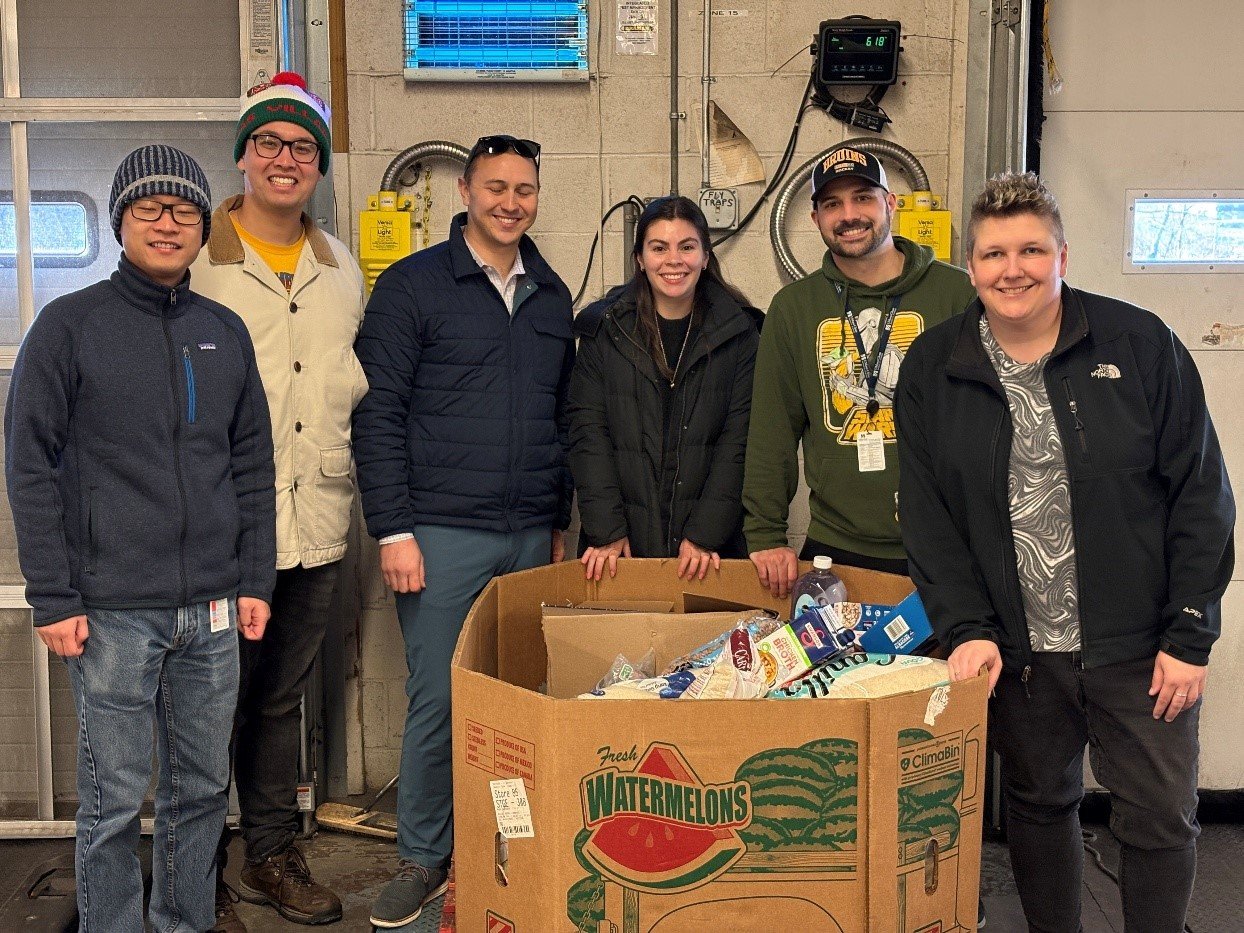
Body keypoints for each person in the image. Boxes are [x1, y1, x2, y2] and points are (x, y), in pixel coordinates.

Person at [895, 172, 1234, 932]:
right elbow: (928, 516)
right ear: (971, 265)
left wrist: (1190, 632)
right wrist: (966, 627)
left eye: (1031, 250)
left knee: (1159, 816)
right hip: (1017, 653)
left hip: (1140, 646)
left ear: (1063, 257)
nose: (1012, 269)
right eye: (993, 254)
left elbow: (1201, 493)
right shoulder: (934, 367)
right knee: (1039, 805)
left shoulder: (1139, 344)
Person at [4, 146, 276, 933]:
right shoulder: (69, 327)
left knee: (201, 792)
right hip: (112, 611)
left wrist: (254, 579)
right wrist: (53, 594)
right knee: (114, 798)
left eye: (184, 210)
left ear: (202, 227)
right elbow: (28, 463)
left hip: (213, 610)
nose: (167, 223)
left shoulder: (223, 331)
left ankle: (184, 921)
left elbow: (252, 465)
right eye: (149, 208)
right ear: (121, 219)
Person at [352, 133, 574, 928]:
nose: (510, 202)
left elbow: (560, 417)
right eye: (496, 187)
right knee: (441, 701)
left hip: (527, 534)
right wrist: (393, 530)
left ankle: (500, 847)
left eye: (524, 189)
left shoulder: (551, 294)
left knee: (518, 699)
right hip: (439, 532)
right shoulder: (411, 287)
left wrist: (556, 519)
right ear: (465, 193)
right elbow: (376, 412)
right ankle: (422, 857)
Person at [190, 72, 365, 931]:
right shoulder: (198, 260)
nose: (285, 159)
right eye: (269, 142)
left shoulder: (341, 267)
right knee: (204, 702)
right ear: (243, 154)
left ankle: (267, 853)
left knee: (277, 700)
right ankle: (197, 875)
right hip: (223, 525)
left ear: (319, 166)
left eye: (302, 147)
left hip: (318, 518)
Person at [743, 143, 976, 597]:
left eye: (863, 198)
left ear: (890, 204)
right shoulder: (793, 308)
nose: (849, 214)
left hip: (946, 542)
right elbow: (772, 430)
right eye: (833, 204)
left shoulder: (958, 295)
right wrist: (766, 533)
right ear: (816, 219)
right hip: (835, 547)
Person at [568, 195, 760, 581]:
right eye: (659, 248)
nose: (674, 260)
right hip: (618, 550)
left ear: (705, 256)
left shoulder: (742, 333)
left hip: (711, 552)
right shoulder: (604, 330)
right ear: (640, 259)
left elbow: (740, 442)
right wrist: (607, 530)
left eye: (687, 247)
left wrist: (706, 534)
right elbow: (588, 433)